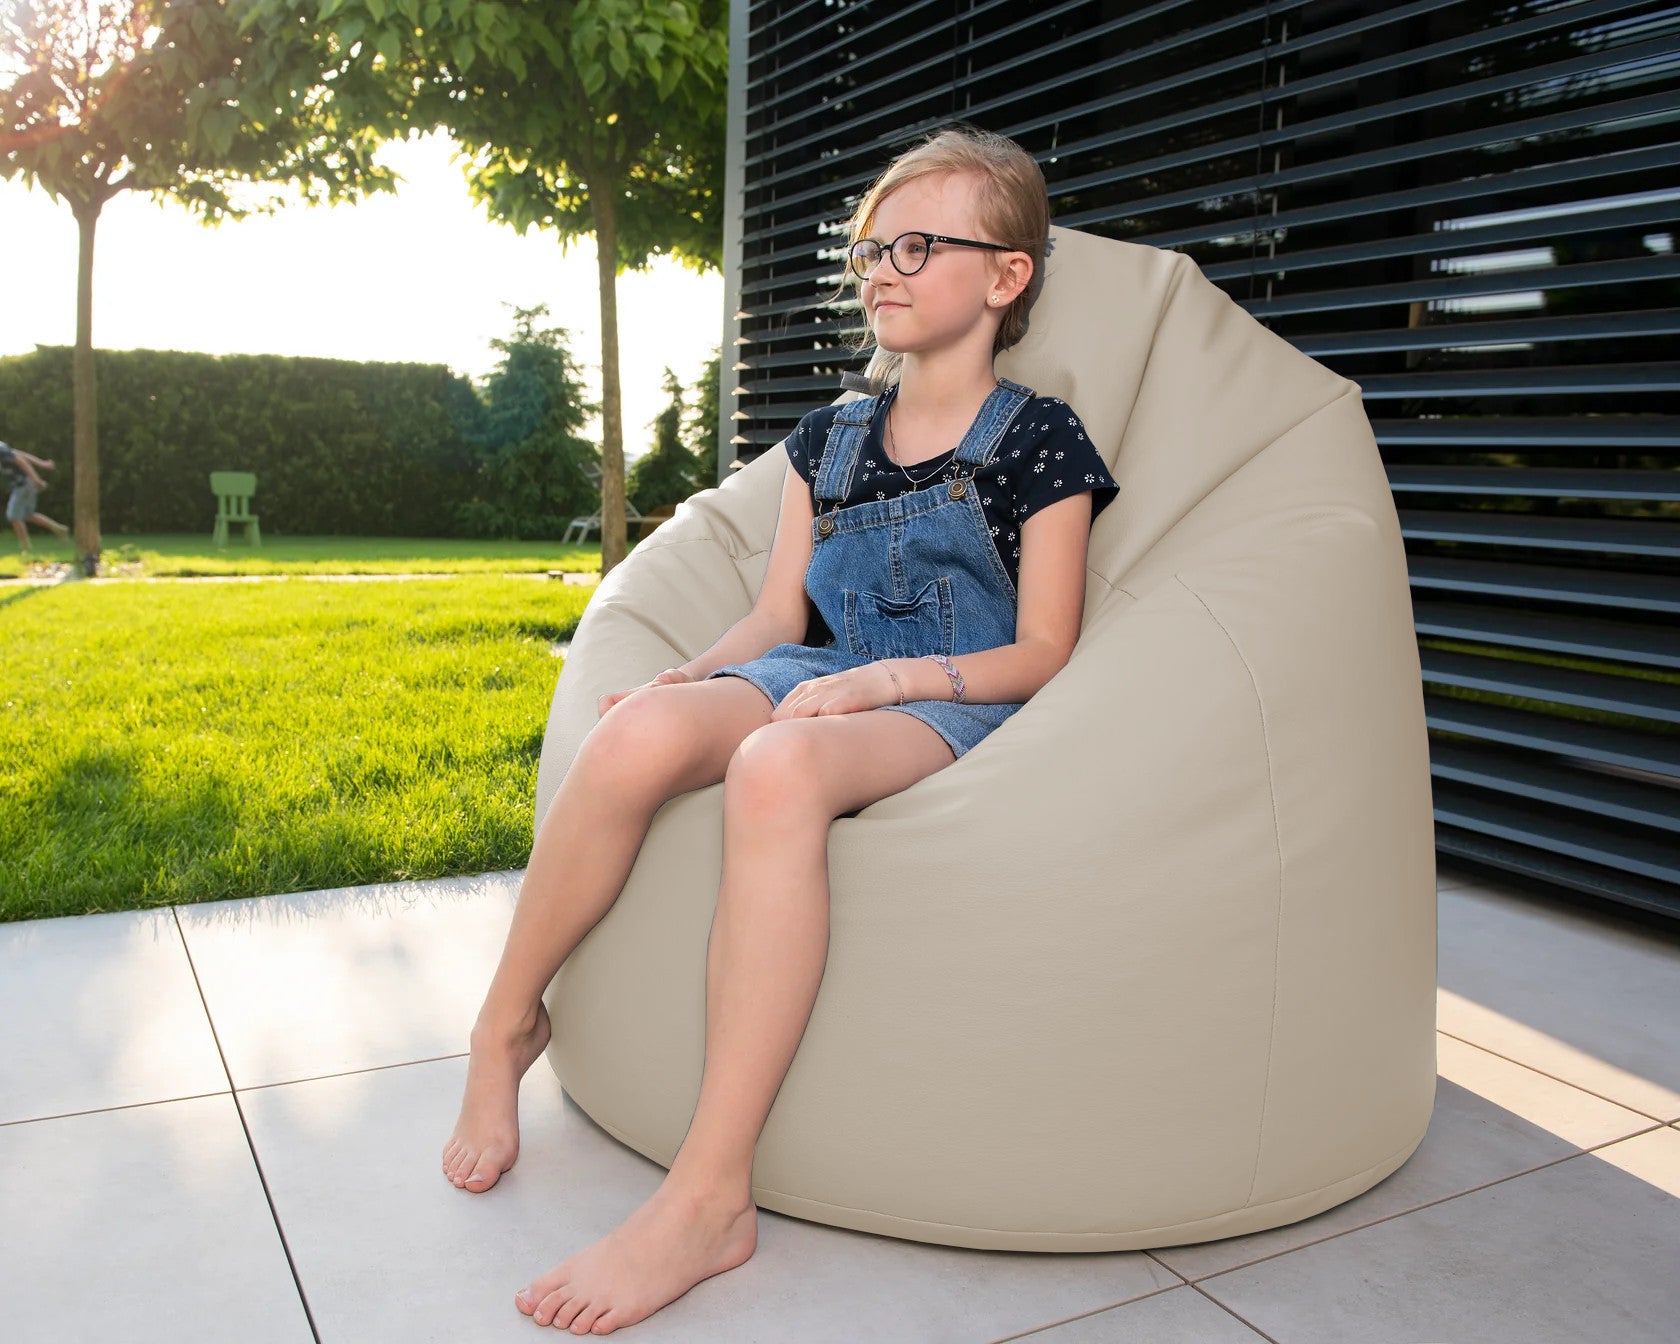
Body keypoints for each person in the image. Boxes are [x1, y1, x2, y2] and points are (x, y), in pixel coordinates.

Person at [442, 122, 1121, 1336]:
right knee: (632, 741)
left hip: (947, 697)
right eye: (870, 248)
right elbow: (771, 612)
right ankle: (504, 1027)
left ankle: (708, 1198)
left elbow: (1045, 647)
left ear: (1007, 275)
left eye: (920, 244)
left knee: (776, 764)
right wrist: (678, 679)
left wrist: (887, 683)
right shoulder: (830, 439)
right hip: (818, 665)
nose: (882, 268)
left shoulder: (1038, 440)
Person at [1, 441, 71, 554]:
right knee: (27, 515)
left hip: (23, 485)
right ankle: (59, 529)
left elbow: (21, 461)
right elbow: (20, 454)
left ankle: (25, 547)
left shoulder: (0, 449)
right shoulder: (2, 447)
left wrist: (36, 480)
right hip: (23, 485)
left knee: (13, 515)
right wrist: (42, 463)